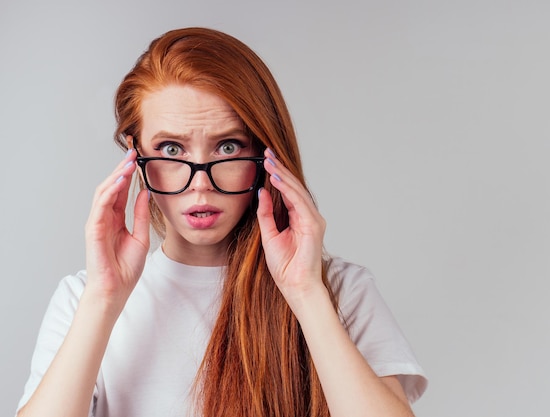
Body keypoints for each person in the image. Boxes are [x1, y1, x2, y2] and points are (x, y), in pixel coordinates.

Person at [16, 27, 427, 417]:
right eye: (172, 148)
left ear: (267, 154)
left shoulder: (338, 291)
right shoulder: (82, 300)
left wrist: (305, 293)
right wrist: (104, 299)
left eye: (227, 147)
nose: (200, 184)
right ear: (135, 155)